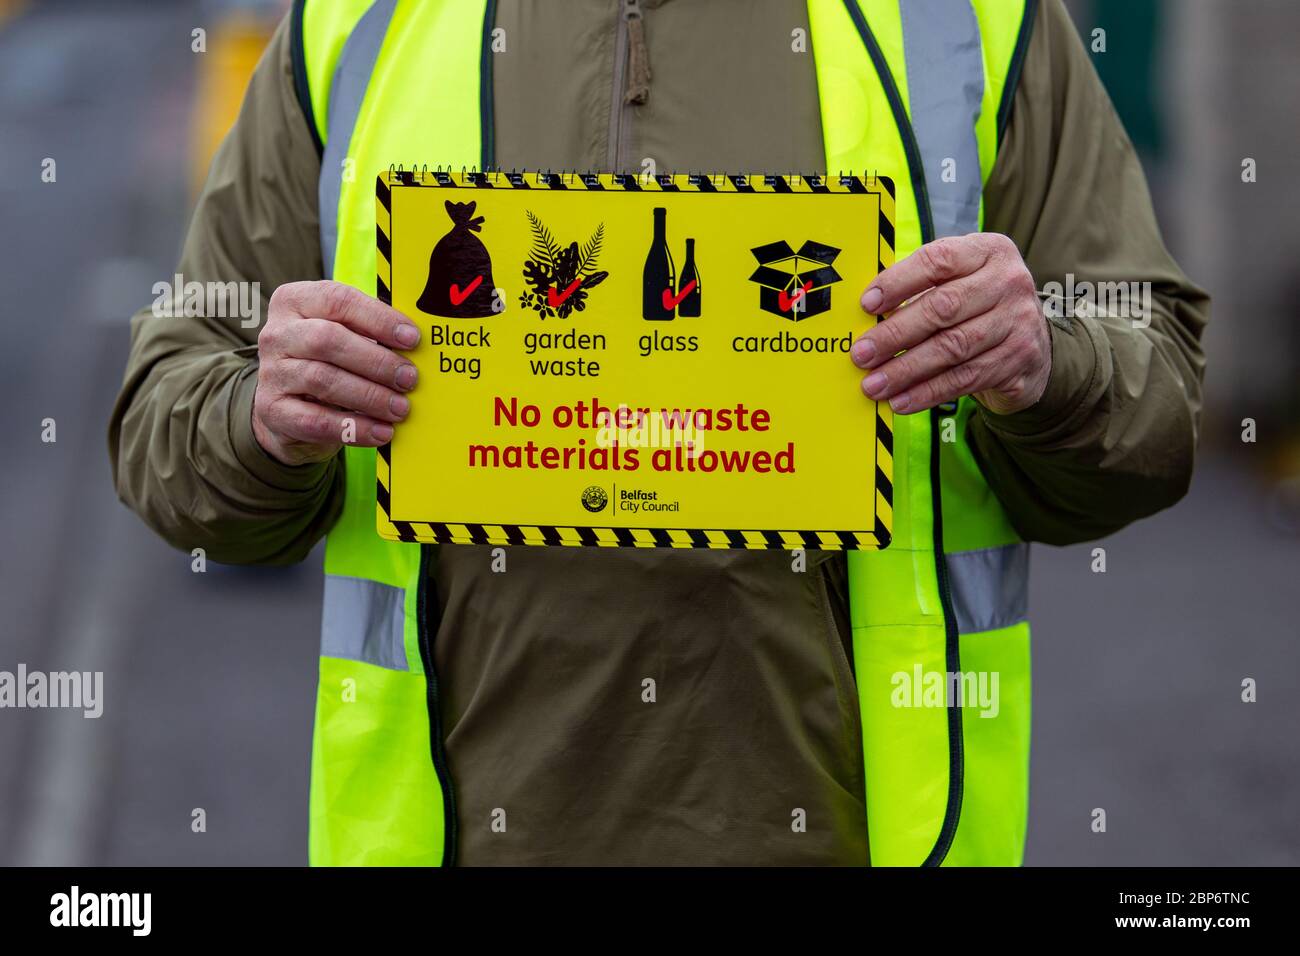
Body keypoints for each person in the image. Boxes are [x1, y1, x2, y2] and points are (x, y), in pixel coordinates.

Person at [109, 0, 1208, 866]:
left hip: (864, 841)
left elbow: (1154, 393)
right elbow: (169, 416)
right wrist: (260, 416)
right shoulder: (356, 21)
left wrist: (1049, 364)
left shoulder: (970, 17)